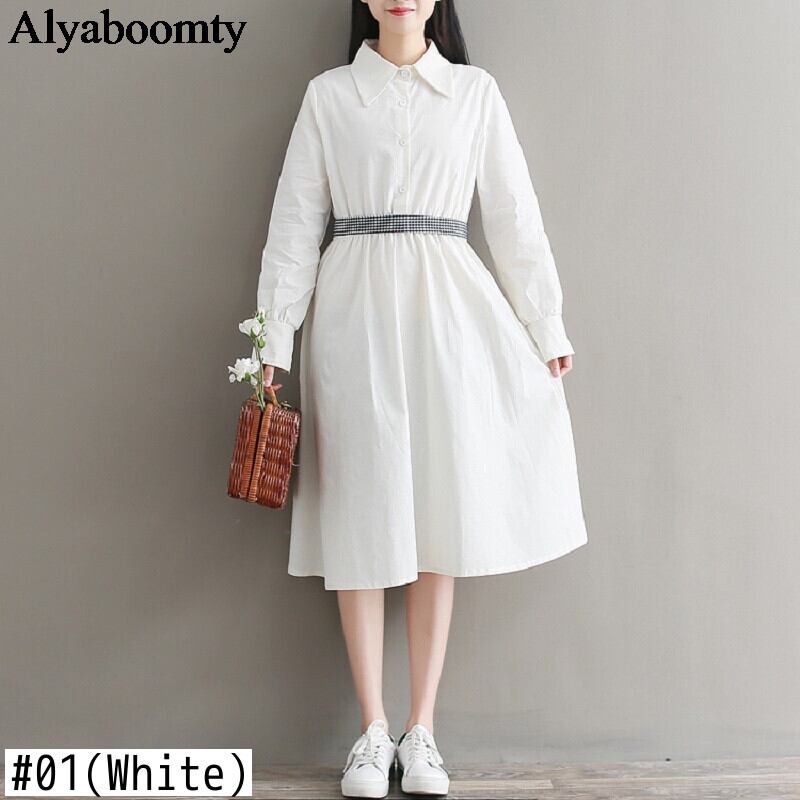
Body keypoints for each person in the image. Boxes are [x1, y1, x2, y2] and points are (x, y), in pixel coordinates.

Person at [251, 1, 589, 796]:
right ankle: (371, 731)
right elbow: (294, 225)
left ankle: (421, 729)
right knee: (359, 514)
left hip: (452, 316)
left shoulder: (474, 93)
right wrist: (272, 340)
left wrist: (545, 323)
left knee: (441, 509)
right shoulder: (329, 96)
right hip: (352, 317)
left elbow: (513, 215)